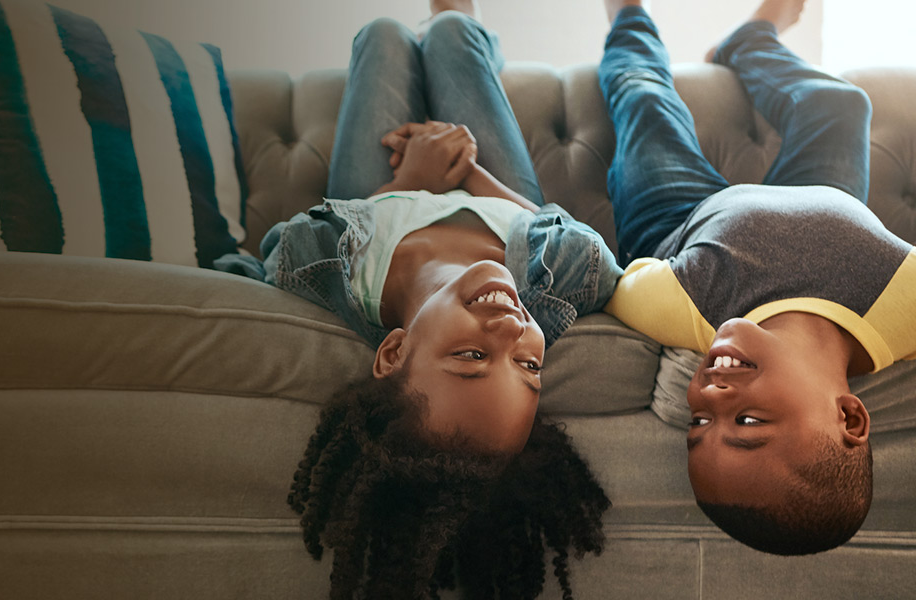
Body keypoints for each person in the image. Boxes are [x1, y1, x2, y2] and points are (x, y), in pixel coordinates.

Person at [219, 1, 616, 597]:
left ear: (393, 352)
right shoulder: (560, 280)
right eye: (529, 366)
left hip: (380, 199)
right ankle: (455, 18)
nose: (510, 332)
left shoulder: (324, 264)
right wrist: (466, 166)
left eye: (471, 358)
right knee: (455, 32)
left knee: (378, 36)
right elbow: (576, 241)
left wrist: (413, 180)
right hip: (494, 190)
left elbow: (276, 247)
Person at [598, 0, 913, 555]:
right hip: (819, 195)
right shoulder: (903, 310)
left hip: (682, 215)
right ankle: (750, 41)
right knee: (842, 104)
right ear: (848, 415)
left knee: (644, 97)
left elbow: (610, 279)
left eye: (697, 421)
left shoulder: (686, 307)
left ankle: (628, 13)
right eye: (745, 419)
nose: (710, 394)